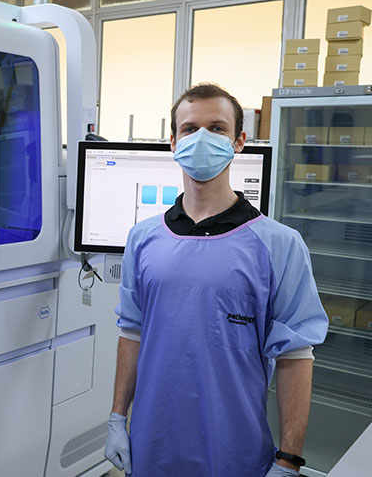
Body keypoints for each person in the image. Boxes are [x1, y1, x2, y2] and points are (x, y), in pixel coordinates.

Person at [104, 83, 328, 477]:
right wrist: (116, 419)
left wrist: (289, 459)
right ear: (172, 141)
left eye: (217, 128)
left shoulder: (278, 244)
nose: (202, 138)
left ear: (239, 141)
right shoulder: (143, 238)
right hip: (151, 446)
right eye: (190, 129)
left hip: (234, 452)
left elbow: (295, 357)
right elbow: (132, 333)